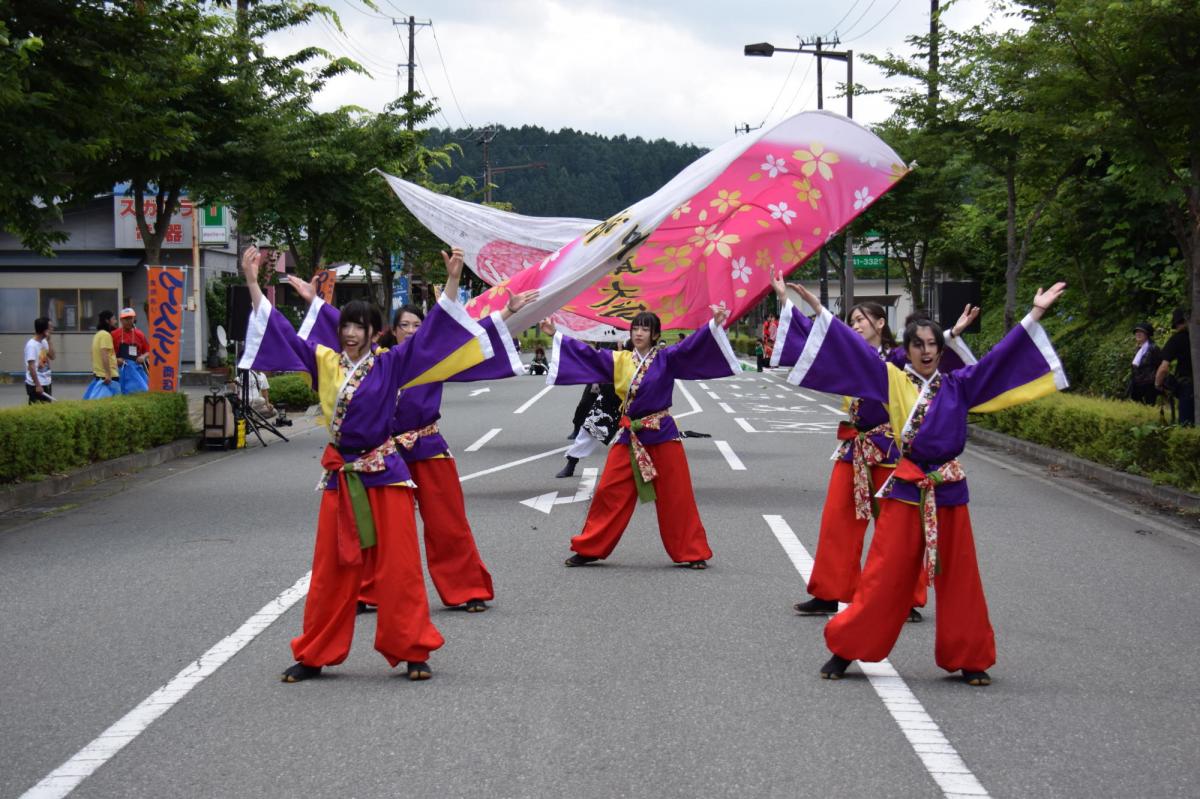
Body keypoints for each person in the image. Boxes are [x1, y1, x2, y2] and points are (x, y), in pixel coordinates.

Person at [777, 274, 1067, 687]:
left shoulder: (959, 386)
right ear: (907, 350)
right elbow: (852, 352)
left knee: (961, 576)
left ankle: (970, 657)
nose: (927, 351)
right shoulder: (891, 380)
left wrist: (1036, 312)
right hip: (907, 486)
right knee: (883, 575)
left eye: (933, 344)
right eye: (919, 345)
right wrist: (820, 313)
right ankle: (846, 650)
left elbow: (1000, 360)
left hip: (949, 489)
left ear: (940, 349)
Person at [238, 245, 494, 683]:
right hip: (342, 476)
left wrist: (452, 281)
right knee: (332, 569)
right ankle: (315, 652)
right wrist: (250, 280)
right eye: (348, 325)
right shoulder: (325, 362)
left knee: (399, 567)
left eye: (361, 326)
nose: (352, 333)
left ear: (377, 333)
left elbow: (433, 333)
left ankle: (412, 648)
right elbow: (278, 330)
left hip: (386, 474)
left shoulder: (393, 363)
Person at [290, 273, 533, 616]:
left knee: (447, 522)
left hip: (427, 444)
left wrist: (506, 313)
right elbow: (343, 327)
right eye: (405, 325)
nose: (412, 330)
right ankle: (368, 590)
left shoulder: (427, 358)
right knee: (371, 524)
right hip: (384, 453)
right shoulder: (378, 361)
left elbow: (461, 339)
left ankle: (467, 588)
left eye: (418, 325)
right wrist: (313, 302)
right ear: (390, 330)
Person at [771, 281, 979, 624]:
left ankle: (907, 597)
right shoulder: (851, 356)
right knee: (838, 519)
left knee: (898, 526)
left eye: (861, 320)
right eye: (851, 321)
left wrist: (953, 332)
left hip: (891, 449)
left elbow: (930, 356)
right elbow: (823, 339)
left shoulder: (898, 357)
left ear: (880, 323)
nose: (855, 325)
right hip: (855, 447)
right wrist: (789, 299)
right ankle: (829, 592)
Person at [541, 305, 741, 569]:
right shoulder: (620, 360)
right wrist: (556, 334)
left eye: (645, 329)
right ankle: (590, 547)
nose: (638, 333)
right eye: (635, 328)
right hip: (630, 435)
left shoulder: (667, 358)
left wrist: (714, 325)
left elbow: (692, 346)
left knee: (676, 495)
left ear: (655, 335)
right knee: (608, 492)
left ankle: (691, 552)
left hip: (662, 433)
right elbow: (587, 355)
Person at [556, 381, 621, 478]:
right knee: (591, 427)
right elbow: (600, 365)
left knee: (638, 431)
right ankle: (572, 462)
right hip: (612, 386)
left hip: (639, 389)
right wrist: (596, 380)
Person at [1156, 307, 1194, 426]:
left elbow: (1164, 368)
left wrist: (1158, 383)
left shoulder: (1177, 339)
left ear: (1177, 323)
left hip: (1188, 387)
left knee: (1187, 425)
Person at [84, 310, 121, 400]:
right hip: (109, 377)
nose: (115, 321)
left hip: (99, 375)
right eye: (113, 319)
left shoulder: (97, 335)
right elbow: (104, 354)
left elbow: (93, 355)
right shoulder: (106, 335)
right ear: (107, 321)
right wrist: (108, 374)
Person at [1127, 322, 1162, 406]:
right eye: (1136, 332)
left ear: (1147, 334)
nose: (1138, 334)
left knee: (1150, 407)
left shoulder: (1153, 348)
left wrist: (1157, 382)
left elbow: (1159, 365)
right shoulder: (1138, 349)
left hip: (1149, 384)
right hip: (1138, 384)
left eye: (1141, 332)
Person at [24, 317, 55, 404]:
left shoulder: (44, 342)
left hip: (46, 381)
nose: (52, 330)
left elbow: (52, 356)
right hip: (36, 384)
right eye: (50, 327)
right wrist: (38, 385)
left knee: (47, 409)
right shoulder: (31, 346)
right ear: (44, 330)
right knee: (37, 410)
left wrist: (49, 341)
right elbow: (31, 367)